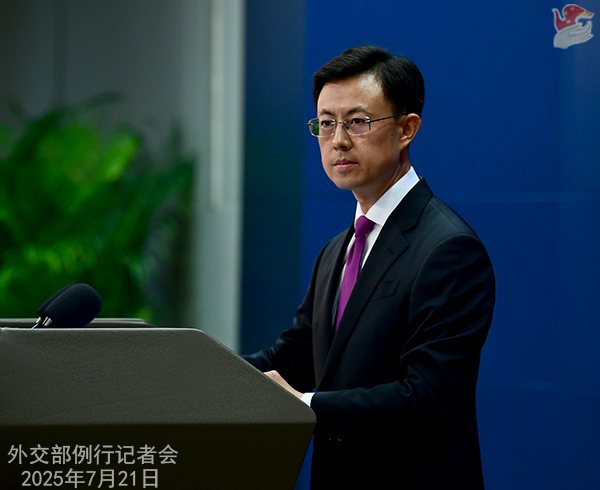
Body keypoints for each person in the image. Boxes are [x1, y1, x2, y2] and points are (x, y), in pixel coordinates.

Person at [243, 45, 495, 489]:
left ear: (406, 129)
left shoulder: (448, 248)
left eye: (357, 122)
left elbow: (426, 397)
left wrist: (306, 405)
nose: (338, 140)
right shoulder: (335, 251)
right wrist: (199, 368)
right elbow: (293, 357)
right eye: (325, 123)